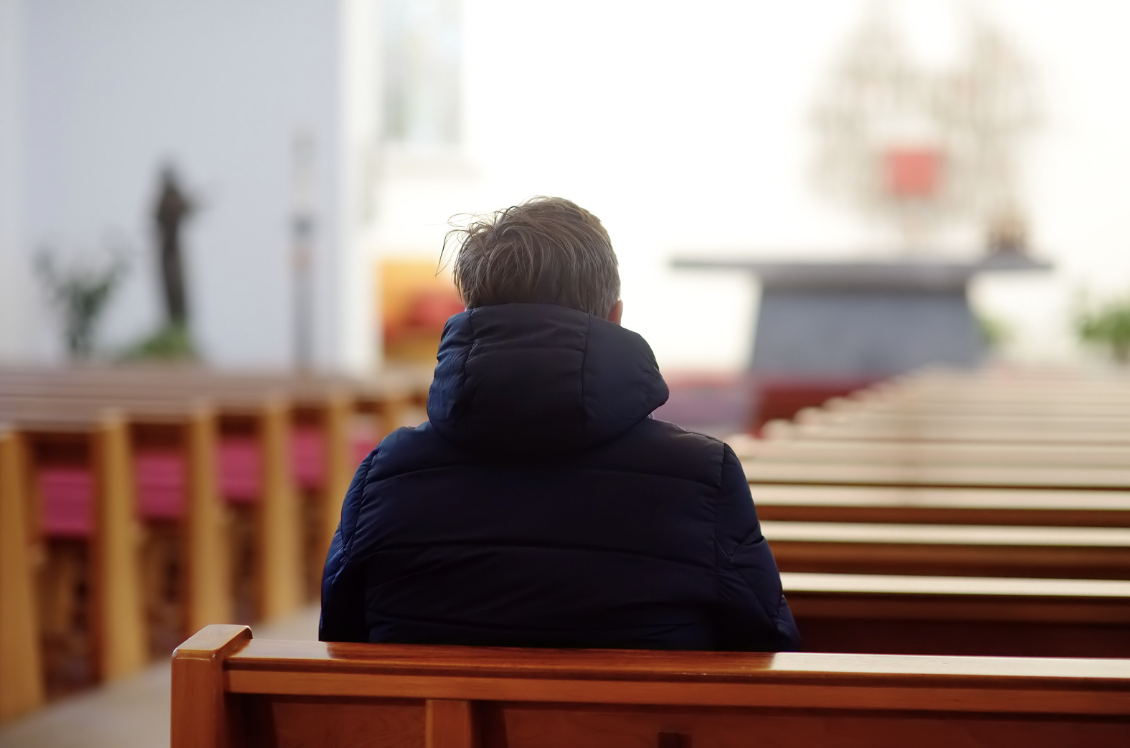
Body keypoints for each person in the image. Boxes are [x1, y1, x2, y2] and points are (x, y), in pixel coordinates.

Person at [320, 197, 799, 651]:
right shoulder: (701, 477)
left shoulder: (388, 474)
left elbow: (340, 644)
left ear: (469, 316)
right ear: (615, 318)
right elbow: (764, 649)